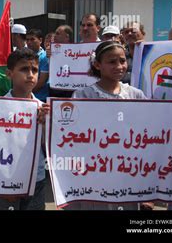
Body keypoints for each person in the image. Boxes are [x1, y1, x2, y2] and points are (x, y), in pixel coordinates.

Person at [69, 41, 146, 210]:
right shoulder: (83, 95)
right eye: (112, 62)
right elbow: (71, 135)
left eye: (123, 60)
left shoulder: (136, 95)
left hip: (128, 173)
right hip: (93, 173)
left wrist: (148, 188)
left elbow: (148, 137)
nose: (119, 66)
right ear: (97, 64)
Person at [0, 48, 47, 210]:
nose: (31, 74)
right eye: (24, 69)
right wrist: (4, 182)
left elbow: (48, 149)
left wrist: (45, 125)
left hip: (36, 180)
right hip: (5, 179)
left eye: (35, 70)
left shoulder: (43, 109)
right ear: (9, 74)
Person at [26, 29, 50, 102]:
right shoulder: (25, 55)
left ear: (40, 40)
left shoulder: (44, 57)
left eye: (32, 39)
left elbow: (42, 81)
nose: (29, 42)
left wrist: (27, 92)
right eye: (27, 40)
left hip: (40, 98)